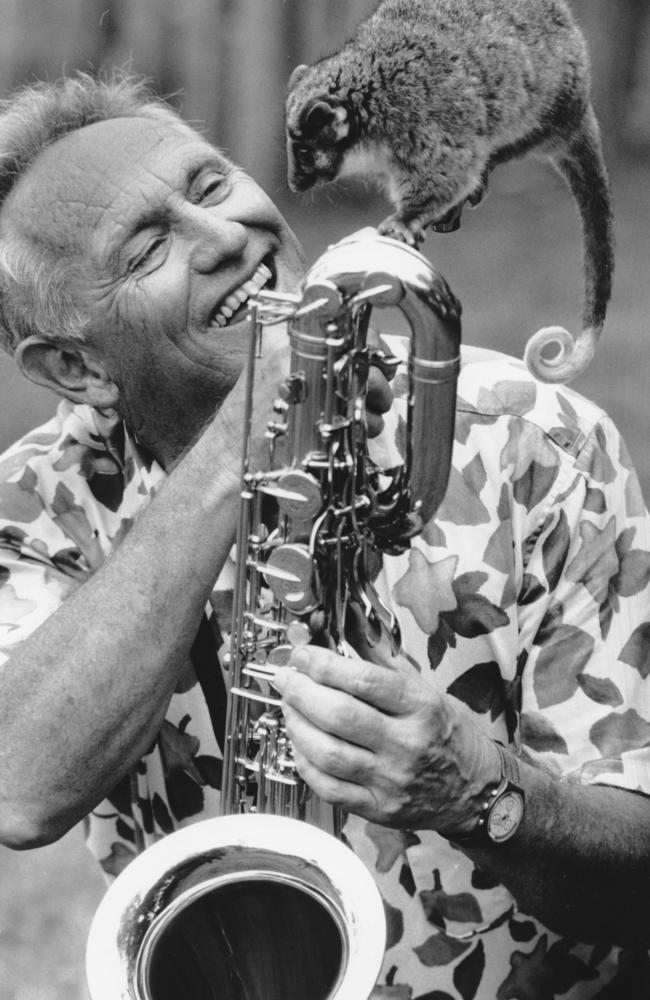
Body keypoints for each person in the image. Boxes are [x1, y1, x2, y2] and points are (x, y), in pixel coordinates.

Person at [0, 72, 650, 1000]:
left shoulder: (537, 441)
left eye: (213, 185)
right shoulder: (35, 505)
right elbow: (19, 787)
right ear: (74, 365)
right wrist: (242, 443)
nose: (228, 236)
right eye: (149, 248)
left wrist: (485, 795)